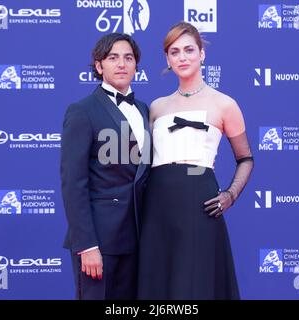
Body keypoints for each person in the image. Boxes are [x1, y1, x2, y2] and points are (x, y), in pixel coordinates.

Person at [137, 22, 254, 300]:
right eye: (175, 52)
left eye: (189, 50)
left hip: (200, 203)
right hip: (157, 205)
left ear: (202, 54)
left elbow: (246, 158)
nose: (182, 57)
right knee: (158, 285)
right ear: (167, 59)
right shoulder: (156, 107)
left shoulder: (224, 104)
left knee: (195, 284)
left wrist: (230, 194)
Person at [61, 33, 150, 300]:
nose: (121, 64)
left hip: (137, 239)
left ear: (136, 66)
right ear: (99, 66)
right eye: (113, 58)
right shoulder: (82, 111)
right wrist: (86, 244)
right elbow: (73, 183)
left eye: (128, 58)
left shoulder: (145, 109)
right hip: (99, 242)